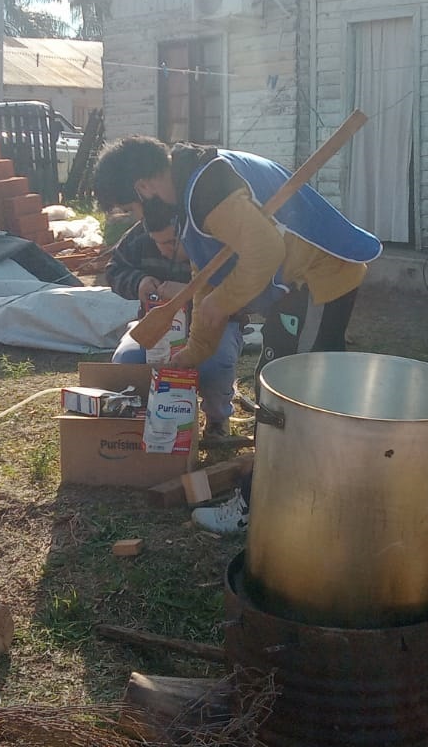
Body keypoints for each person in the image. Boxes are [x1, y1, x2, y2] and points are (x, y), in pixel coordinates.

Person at [92, 134, 380, 534]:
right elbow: (206, 277)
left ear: (143, 187)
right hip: (297, 286)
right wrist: (193, 352)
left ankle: (261, 507)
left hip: (320, 279)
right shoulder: (191, 185)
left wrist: (222, 303)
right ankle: (316, 489)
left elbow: (265, 252)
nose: (139, 219)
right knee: (276, 386)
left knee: (292, 397)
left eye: (132, 208)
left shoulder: (206, 188)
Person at [105, 211, 244, 436]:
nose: (164, 251)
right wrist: (138, 282)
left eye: (171, 243)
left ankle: (217, 420)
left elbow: (243, 297)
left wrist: (191, 294)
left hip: (212, 323)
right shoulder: (141, 232)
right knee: (126, 360)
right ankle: (141, 420)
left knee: (216, 363)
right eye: (157, 243)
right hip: (155, 324)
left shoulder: (215, 239)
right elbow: (114, 269)